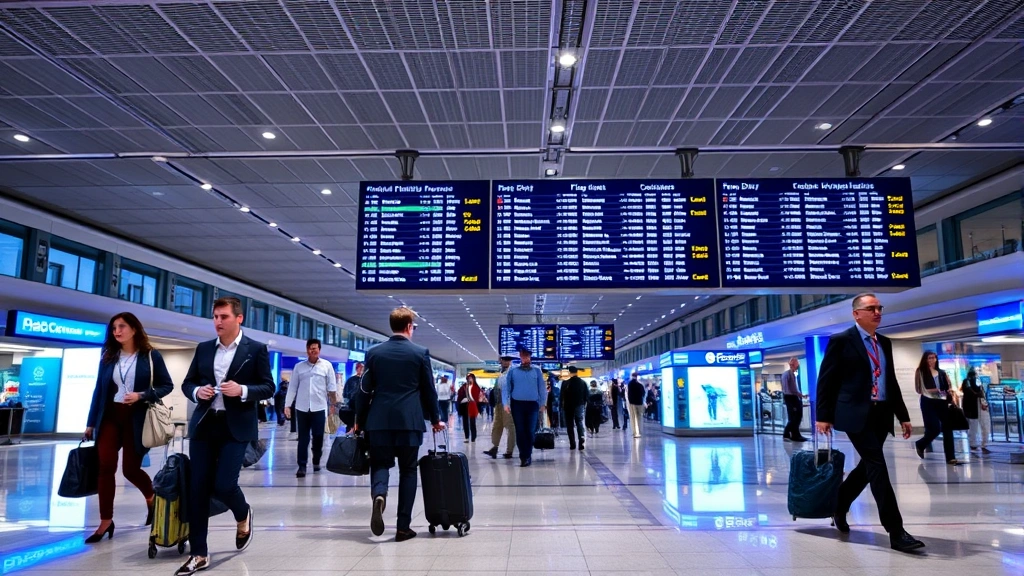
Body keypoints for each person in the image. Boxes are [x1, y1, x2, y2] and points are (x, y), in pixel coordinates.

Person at [815, 293, 923, 554]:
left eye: (879, 308)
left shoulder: (884, 342)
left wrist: (903, 415)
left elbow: (890, 381)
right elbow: (826, 380)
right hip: (855, 413)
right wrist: (822, 415)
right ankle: (896, 531)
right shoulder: (842, 341)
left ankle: (839, 504)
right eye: (871, 308)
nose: (877, 312)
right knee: (877, 465)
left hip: (881, 413)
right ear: (856, 314)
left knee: (867, 467)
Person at [176, 297, 276, 575]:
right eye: (215, 317)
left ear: (238, 318)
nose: (218, 322)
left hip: (237, 426)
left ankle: (243, 513)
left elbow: (268, 387)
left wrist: (242, 390)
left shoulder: (255, 349)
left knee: (224, 485)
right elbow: (188, 382)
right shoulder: (205, 348)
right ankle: (199, 553)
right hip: (205, 424)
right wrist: (198, 392)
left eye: (223, 317)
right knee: (198, 488)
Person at [354, 307, 444, 542]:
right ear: (408, 327)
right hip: (409, 421)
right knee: (408, 470)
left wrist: (359, 421)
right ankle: (403, 527)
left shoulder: (374, 353)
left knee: (380, 463)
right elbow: (428, 391)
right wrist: (435, 419)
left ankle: (380, 495)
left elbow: (364, 390)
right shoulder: (420, 353)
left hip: (378, 421)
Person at [83, 312, 174, 544]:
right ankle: (105, 520)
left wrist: (143, 395)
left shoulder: (151, 356)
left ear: (134, 329)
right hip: (110, 417)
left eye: (122, 326)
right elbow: (98, 391)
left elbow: (167, 385)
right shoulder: (108, 357)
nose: (117, 331)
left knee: (130, 470)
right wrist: (90, 422)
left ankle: (151, 496)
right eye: (114, 328)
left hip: (137, 418)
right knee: (105, 466)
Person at [285, 338, 338, 478]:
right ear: (307, 350)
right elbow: (292, 388)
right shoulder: (299, 367)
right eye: (310, 348)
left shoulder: (327, 366)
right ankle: (302, 466)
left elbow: (332, 387)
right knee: (303, 438)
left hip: (319, 408)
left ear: (319, 350)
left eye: (315, 348)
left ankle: (316, 460)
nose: (312, 351)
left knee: (318, 436)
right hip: (302, 408)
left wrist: (333, 405)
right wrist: (287, 405)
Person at [502, 347, 547, 467]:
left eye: (527, 356)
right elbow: (507, 387)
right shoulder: (513, 370)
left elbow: (542, 388)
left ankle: (528, 453)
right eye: (523, 356)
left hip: (533, 404)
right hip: (517, 404)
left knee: (530, 431)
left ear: (530, 357)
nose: (525, 358)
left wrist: (543, 403)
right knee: (520, 431)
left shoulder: (536, 370)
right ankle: (524, 456)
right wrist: (505, 403)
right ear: (520, 357)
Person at [913, 351, 958, 465]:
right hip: (928, 401)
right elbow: (919, 389)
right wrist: (934, 390)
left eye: (934, 358)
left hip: (942, 401)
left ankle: (950, 457)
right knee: (935, 428)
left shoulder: (942, 373)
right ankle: (921, 444)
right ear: (925, 359)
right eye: (929, 358)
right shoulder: (921, 372)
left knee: (948, 428)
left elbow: (947, 387)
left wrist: (950, 393)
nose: (932, 360)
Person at [484, 356, 516, 459]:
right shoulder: (501, 374)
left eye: (507, 360)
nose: (505, 362)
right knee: (497, 426)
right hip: (498, 404)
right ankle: (494, 447)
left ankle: (509, 451)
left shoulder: (513, 373)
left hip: (508, 405)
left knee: (510, 427)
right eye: (503, 360)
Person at [961, 368, 991, 453]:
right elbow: (971, 392)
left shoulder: (973, 381)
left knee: (977, 426)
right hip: (973, 406)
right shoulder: (968, 382)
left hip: (977, 406)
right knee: (975, 426)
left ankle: (979, 444)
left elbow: (980, 393)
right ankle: (977, 444)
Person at [560, 366, 588, 451]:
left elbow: (561, 396)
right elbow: (586, 395)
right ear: (577, 372)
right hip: (579, 405)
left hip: (568, 407)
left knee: (570, 425)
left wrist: (561, 406)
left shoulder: (565, 383)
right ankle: (581, 441)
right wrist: (583, 404)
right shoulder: (582, 382)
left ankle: (572, 443)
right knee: (579, 422)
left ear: (569, 372)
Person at [781, 357, 808, 442]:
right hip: (790, 398)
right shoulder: (787, 374)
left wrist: (800, 395)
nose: (798, 366)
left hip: (794, 397)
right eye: (797, 364)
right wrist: (795, 397)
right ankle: (786, 434)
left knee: (798, 416)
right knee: (794, 417)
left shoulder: (793, 374)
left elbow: (794, 388)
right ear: (792, 364)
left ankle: (796, 434)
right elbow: (788, 389)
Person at [456, 374, 482, 443]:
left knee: (472, 422)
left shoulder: (476, 387)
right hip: (465, 406)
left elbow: (477, 397)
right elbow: (459, 395)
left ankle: (473, 437)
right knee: (465, 422)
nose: (470, 379)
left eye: (471, 378)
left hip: (473, 406)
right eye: (468, 378)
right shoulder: (464, 386)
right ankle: (467, 437)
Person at [627, 373, 646, 438]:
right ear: (637, 377)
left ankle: (635, 432)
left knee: (633, 417)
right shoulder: (640, 385)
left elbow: (628, 394)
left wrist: (630, 401)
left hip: (632, 403)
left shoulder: (629, 384)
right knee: (639, 417)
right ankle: (640, 431)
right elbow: (643, 393)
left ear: (632, 376)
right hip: (640, 403)